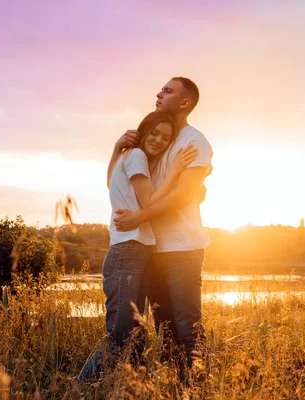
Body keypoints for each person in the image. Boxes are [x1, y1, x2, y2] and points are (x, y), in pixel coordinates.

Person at [78, 111, 197, 381]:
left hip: (137, 251)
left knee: (134, 335)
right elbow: (149, 201)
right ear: (142, 131)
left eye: (165, 138)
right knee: (121, 337)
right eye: (154, 133)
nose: (158, 140)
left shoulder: (129, 156)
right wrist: (177, 169)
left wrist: (115, 148)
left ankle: (123, 388)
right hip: (127, 252)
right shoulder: (136, 155)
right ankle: (81, 388)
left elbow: (111, 182)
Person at [113, 77, 213, 369]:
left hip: (183, 247)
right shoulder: (160, 137)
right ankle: (172, 387)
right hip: (153, 248)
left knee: (187, 325)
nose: (158, 93)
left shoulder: (195, 141)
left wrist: (139, 217)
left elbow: (185, 195)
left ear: (185, 102)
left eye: (167, 91)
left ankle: (197, 386)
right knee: (165, 328)